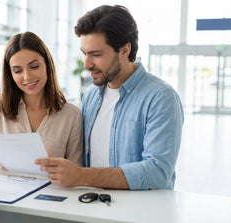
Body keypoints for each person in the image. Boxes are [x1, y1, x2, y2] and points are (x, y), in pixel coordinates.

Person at [35, 5, 184, 190]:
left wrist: (82, 176)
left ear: (124, 50)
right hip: (93, 207)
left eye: (96, 55)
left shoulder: (161, 98)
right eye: (84, 54)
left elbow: (158, 172)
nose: (87, 64)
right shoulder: (91, 94)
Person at [0, 31, 83, 170]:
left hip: (51, 191)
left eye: (34, 66)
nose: (27, 77)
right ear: (10, 74)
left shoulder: (72, 115)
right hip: (5, 191)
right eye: (17, 71)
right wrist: (2, 147)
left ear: (47, 64)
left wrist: (59, 169)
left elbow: (77, 171)